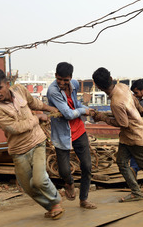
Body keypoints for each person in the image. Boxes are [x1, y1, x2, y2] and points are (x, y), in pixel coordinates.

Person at [0, 68, 64, 220]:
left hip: (37, 141)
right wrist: (38, 118)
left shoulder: (20, 90)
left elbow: (33, 103)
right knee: (28, 187)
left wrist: (48, 109)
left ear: (7, 84)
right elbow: (15, 128)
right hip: (18, 150)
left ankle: (56, 202)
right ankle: (51, 207)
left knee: (39, 179)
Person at [92, 67, 143, 202]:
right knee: (122, 162)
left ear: (99, 87)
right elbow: (136, 103)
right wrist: (140, 110)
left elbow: (123, 123)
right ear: (111, 79)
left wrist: (102, 118)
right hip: (130, 136)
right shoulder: (123, 87)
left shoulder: (115, 103)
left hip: (135, 136)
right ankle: (141, 190)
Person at [47, 62, 96, 209]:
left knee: (87, 166)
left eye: (65, 80)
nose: (62, 83)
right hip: (62, 134)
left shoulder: (73, 85)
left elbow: (75, 105)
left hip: (79, 131)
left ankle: (84, 199)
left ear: (71, 78)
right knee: (64, 171)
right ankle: (69, 183)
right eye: (59, 79)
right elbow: (68, 114)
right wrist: (83, 111)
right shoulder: (52, 91)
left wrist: (87, 109)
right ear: (55, 76)